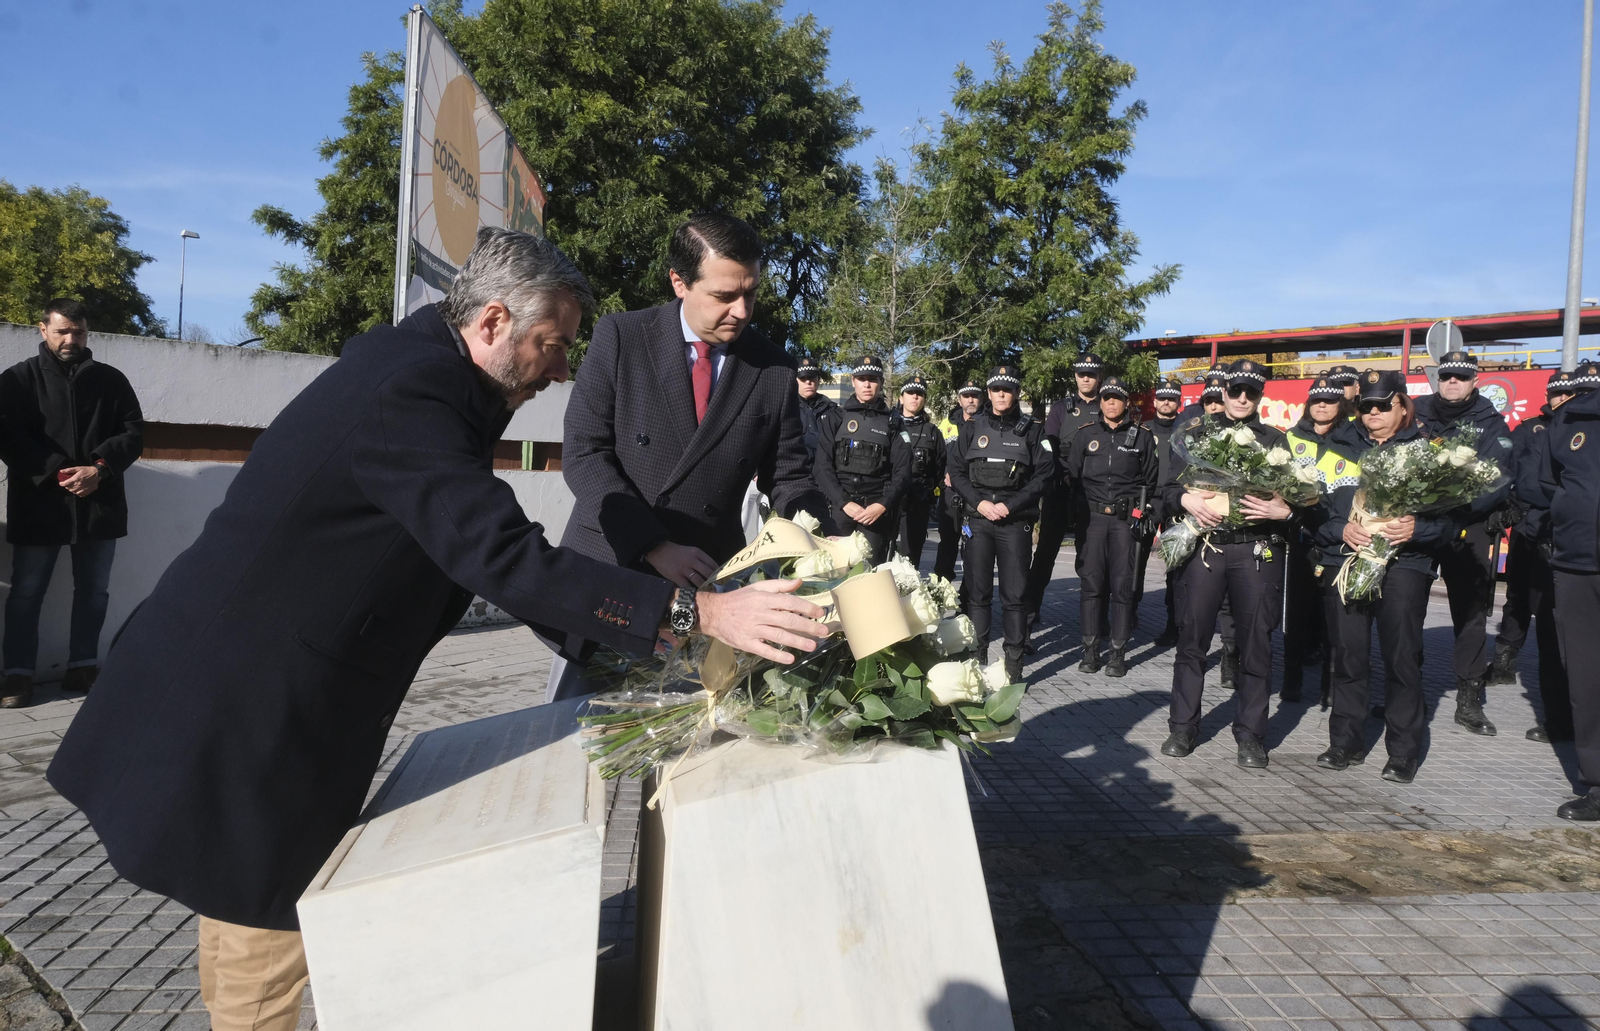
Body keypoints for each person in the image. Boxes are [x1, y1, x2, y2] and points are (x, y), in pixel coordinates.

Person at [45, 229, 830, 1031]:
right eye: (551, 345)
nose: (560, 369)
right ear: (492, 322)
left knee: (241, 905)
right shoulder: (413, 396)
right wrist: (691, 615)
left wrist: (609, 640)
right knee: (264, 923)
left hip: (254, 687)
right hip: (250, 707)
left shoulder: (424, 372)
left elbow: (472, 554)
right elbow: (497, 552)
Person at [552, 212, 830, 698]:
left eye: (751, 293)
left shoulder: (773, 368)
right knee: (583, 732)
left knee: (686, 729)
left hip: (702, 587)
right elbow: (584, 453)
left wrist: (824, 543)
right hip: (615, 571)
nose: (741, 311)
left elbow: (788, 476)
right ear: (679, 282)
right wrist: (654, 546)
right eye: (724, 296)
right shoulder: (623, 337)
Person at [1314, 371, 1479, 783]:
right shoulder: (1337, 445)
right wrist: (1339, 530)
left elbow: (1452, 521)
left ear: (1402, 405)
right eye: (1365, 404)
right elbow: (1312, 510)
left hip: (1405, 564)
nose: (1372, 412)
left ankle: (1403, 752)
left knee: (1401, 658)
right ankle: (1344, 742)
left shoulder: (1428, 449)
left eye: (1382, 404)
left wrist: (1415, 530)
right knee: (1348, 656)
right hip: (1346, 561)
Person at [1160, 360, 1305, 769]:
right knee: (1192, 640)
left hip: (1256, 550)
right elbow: (1166, 490)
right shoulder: (1193, 434)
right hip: (1206, 546)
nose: (1243, 398)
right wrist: (1184, 500)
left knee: (1256, 644)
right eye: (1236, 390)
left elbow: (1294, 498)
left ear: (1260, 396)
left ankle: (1251, 735)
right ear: (1222, 392)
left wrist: (1283, 508)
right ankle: (1183, 726)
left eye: (1251, 392)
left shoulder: (1276, 440)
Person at [0, 298, 144, 707]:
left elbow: (133, 432)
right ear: (42, 329)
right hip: (40, 501)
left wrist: (99, 469)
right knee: (26, 591)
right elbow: (8, 437)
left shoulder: (111, 380)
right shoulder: (17, 380)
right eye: (62, 330)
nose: (70, 339)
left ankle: (82, 666)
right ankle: (17, 676)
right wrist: (59, 470)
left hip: (99, 502)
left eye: (78, 331)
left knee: (95, 591)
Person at [1413, 350, 1515, 737]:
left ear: (1474, 380)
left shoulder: (1491, 422)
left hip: (1466, 526)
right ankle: (1407, 695)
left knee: (1470, 615)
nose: (1452, 382)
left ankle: (1469, 699)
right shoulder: (1417, 411)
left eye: (1460, 377)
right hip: (1418, 523)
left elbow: (1499, 479)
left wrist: (1455, 507)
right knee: (1406, 610)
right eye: (1446, 376)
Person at [948, 364, 1054, 681]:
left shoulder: (1033, 431)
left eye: (1007, 389)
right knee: (978, 594)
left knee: (1015, 596)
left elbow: (1044, 476)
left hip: (1014, 523)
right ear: (988, 393)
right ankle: (978, 656)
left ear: (1016, 393)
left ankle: (1013, 661)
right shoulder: (971, 428)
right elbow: (956, 471)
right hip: (978, 520)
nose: (1001, 395)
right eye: (995, 389)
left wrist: (1009, 505)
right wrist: (980, 503)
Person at [1498, 370, 1583, 741]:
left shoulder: (1585, 434)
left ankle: (1568, 720)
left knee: (1558, 627)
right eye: (1555, 393)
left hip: (1567, 534)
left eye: (1567, 394)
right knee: (1520, 601)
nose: (1560, 400)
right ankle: (1506, 660)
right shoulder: (1530, 429)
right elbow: (1510, 471)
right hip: (1529, 527)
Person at [1065, 376, 1159, 677]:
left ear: (1126, 402)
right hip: (1092, 521)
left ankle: (1117, 652)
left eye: (1116, 398)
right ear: (1101, 401)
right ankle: (1090, 650)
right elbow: (1073, 479)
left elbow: (1152, 483)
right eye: (1106, 397)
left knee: (1122, 587)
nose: (1111, 402)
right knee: (1091, 585)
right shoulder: (1085, 434)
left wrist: (1145, 517)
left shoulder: (1142, 436)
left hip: (1124, 522)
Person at [1539, 361, 1600, 819]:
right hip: (1576, 565)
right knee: (1586, 678)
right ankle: (1597, 783)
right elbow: (1547, 485)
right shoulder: (1565, 423)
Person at [1023, 353, 1103, 627]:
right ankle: (1028, 616)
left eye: (1091, 374)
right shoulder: (1060, 408)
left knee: (1091, 560)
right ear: (1075, 377)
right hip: (1060, 491)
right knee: (1044, 556)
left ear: (1099, 377)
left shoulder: (1109, 405)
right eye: (1081, 374)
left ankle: (1096, 622)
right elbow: (1048, 447)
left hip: (1092, 494)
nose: (1086, 378)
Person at [1280, 376, 1346, 703]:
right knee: (1295, 614)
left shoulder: (1352, 439)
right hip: (1299, 537)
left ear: (1341, 404)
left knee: (1333, 616)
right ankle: (1291, 679)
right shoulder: (1291, 438)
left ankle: (1330, 686)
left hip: (1338, 541)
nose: (1322, 405)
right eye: (1316, 400)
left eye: (1330, 400)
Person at [814, 355, 911, 564]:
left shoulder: (894, 423)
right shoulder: (836, 418)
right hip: (841, 511)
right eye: (862, 378)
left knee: (869, 576)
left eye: (873, 379)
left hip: (875, 514)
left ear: (881, 383)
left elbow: (903, 472)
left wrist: (882, 506)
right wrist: (844, 503)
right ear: (853, 381)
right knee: (835, 572)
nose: (867, 384)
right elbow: (822, 467)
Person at [1144, 377, 1184, 646]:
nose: (1166, 402)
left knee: (1175, 567)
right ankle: (1128, 617)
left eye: (1172, 398)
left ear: (1178, 402)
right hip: (1147, 502)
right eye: (1162, 398)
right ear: (1155, 401)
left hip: (1176, 503)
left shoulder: (1187, 430)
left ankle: (1173, 625)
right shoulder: (1143, 429)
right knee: (1133, 564)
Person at [933, 379, 984, 582]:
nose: (971, 400)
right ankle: (940, 589)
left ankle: (969, 596)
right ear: (959, 399)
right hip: (950, 493)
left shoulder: (987, 423)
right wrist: (943, 475)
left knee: (975, 546)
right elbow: (936, 458)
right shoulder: (945, 425)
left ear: (982, 398)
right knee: (947, 543)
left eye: (975, 396)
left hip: (977, 492)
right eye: (966, 396)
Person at [896, 374, 944, 566]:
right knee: (883, 554)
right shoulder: (889, 425)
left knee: (911, 558)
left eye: (919, 394)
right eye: (910, 393)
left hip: (918, 501)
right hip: (888, 501)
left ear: (924, 399)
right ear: (901, 397)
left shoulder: (932, 432)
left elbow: (940, 466)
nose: (914, 397)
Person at [795, 351, 840, 462]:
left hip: (824, 471)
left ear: (818, 380)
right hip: (794, 471)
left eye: (812, 378)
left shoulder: (832, 410)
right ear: (795, 381)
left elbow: (835, 443)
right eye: (803, 378)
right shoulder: (786, 408)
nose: (808, 382)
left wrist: (803, 437)